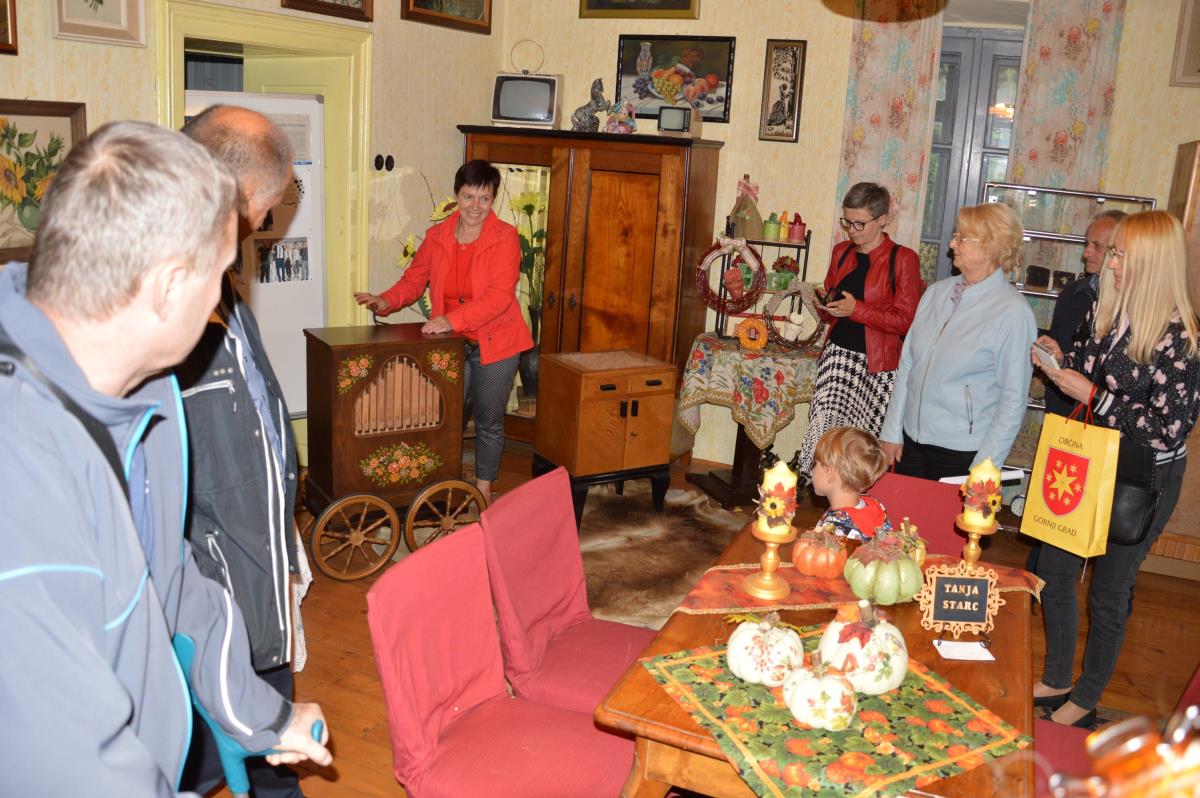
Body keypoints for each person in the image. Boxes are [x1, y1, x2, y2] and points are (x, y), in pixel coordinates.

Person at [0, 120, 331, 796]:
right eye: (220, 271)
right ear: (169, 285)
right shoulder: (21, 484)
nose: (222, 302)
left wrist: (265, 716)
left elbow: (173, 582)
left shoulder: (145, 400)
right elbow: (76, 772)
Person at [178, 104, 310, 798]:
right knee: (199, 749)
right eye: (265, 207)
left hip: (257, 558)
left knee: (270, 718)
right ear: (236, 196)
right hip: (212, 580)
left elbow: (254, 416)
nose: (265, 221)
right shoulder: (169, 312)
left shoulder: (222, 287)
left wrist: (285, 547)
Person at [1030, 210, 1200, 728]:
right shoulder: (1109, 311)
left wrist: (1094, 397)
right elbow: (1086, 370)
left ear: (1153, 262)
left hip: (1144, 478)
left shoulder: (1182, 338)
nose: (1111, 263)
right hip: (1092, 460)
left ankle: (1086, 697)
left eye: (1122, 254)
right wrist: (1059, 360)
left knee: (1109, 591)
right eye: (1114, 253)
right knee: (1054, 572)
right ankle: (1057, 678)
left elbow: (1169, 430)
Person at [354, 159, 533, 503]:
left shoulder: (505, 237)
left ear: (492, 199)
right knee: (443, 417)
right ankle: (441, 484)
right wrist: (385, 300)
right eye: (468, 197)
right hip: (450, 344)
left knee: (489, 419)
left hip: (496, 342)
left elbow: (499, 297)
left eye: (484, 198)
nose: (475, 206)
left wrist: (453, 320)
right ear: (456, 195)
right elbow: (414, 279)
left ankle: (483, 491)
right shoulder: (437, 236)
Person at [879, 202, 1036, 480]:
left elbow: (1013, 400)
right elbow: (908, 365)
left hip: (963, 453)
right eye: (955, 235)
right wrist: (891, 431)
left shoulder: (1012, 312)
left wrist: (985, 468)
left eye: (962, 238)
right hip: (910, 443)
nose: (952, 244)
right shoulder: (936, 293)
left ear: (990, 247)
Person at [793, 182, 923, 479]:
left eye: (860, 224)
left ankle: (864, 503)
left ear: (883, 219)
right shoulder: (841, 252)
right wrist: (826, 306)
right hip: (837, 357)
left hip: (878, 368)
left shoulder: (903, 259)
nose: (852, 231)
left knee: (864, 448)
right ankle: (825, 495)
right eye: (847, 222)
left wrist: (857, 310)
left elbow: (906, 321)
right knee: (826, 438)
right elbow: (833, 301)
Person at [1043, 210, 1127, 417]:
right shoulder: (1072, 294)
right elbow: (1077, 363)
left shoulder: (1139, 313)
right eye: (1086, 244)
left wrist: (1092, 396)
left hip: (1109, 429)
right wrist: (1059, 359)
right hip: (1066, 419)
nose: (1086, 253)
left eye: (1097, 246)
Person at [810, 426, 892, 541]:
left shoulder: (833, 529)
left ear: (829, 472)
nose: (812, 470)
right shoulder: (875, 504)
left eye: (815, 463)